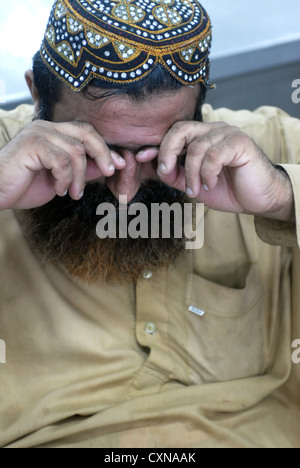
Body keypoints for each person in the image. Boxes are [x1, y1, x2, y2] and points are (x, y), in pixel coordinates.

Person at [0, 0, 299, 448]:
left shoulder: (264, 147)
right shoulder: (7, 157)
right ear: (37, 97)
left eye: (154, 155)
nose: (125, 192)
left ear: (200, 110)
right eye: (96, 151)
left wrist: (281, 196)